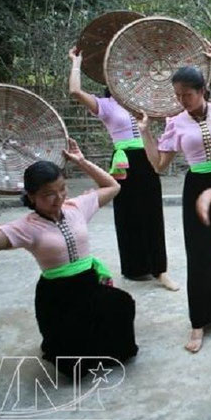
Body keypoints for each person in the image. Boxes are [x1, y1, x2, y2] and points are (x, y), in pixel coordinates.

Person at [0, 139, 138, 376]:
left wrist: (81, 161)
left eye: (62, 189)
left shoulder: (76, 207)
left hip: (89, 284)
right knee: (71, 357)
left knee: (121, 304)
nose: (58, 198)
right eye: (48, 194)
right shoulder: (25, 227)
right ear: (32, 197)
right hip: (58, 295)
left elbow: (113, 187)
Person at [139, 38, 211, 353]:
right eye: (178, 96)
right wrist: (145, 133)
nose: (183, 101)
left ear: (202, 90)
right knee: (200, 255)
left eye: (188, 95)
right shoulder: (174, 123)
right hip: (197, 189)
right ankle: (198, 321)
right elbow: (159, 165)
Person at [67, 47, 177, 291]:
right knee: (127, 214)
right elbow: (75, 91)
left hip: (147, 157)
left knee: (152, 213)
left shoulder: (143, 103)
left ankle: (160, 270)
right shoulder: (105, 105)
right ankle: (134, 267)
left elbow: (171, 98)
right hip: (123, 162)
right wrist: (77, 62)